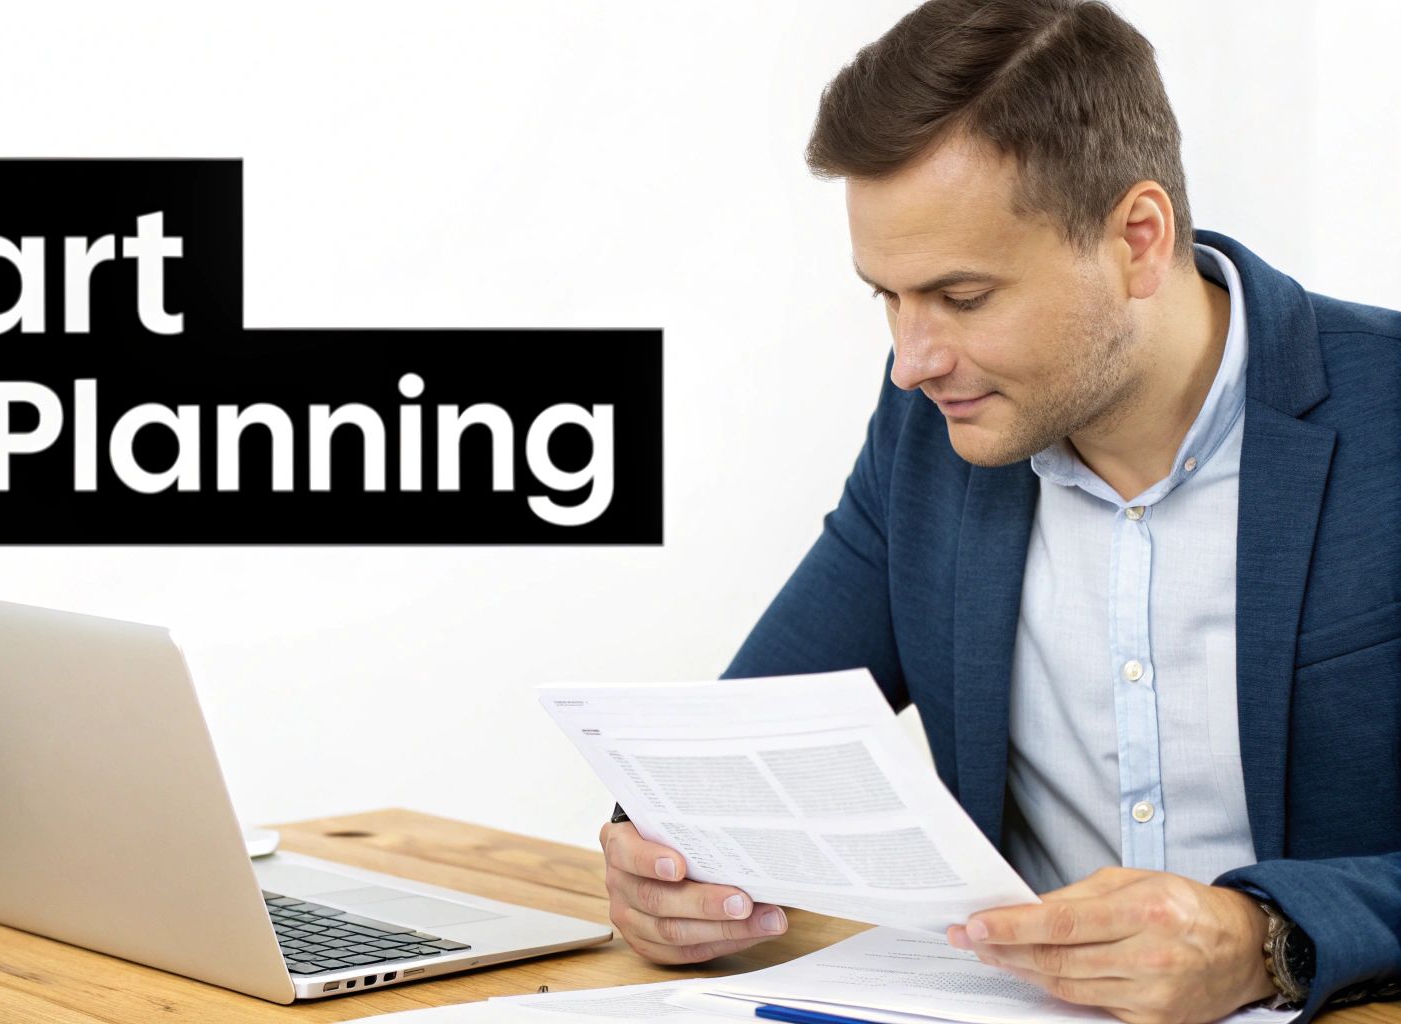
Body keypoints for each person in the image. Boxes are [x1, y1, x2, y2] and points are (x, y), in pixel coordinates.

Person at [597, 2, 1401, 1023]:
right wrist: (658, 861)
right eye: (884, 297)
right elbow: (735, 747)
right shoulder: (928, 438)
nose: (910, 360)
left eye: (961, 297)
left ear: (1135, 240)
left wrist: (1266, 938)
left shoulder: (1385, 415)